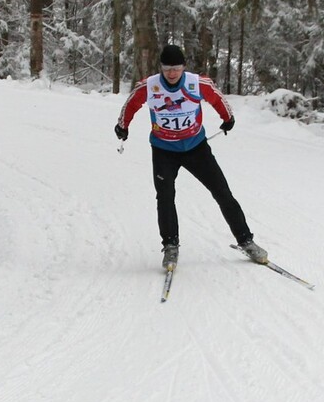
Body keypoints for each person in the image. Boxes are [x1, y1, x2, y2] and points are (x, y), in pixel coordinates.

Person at [114, 44, 268, 270]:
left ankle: (246, 240)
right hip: (163, 149)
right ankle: (170, 246)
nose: (172, 73)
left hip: (196, 148)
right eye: (167, 69)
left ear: (183, 67)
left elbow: (217, 98)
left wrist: (228, 118)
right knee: (165, 197)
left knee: (222, 192)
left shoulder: (197, 83)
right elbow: (131, 105)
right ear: (161, 69)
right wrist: (122, 126)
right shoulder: (150, 86)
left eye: (176, 68)